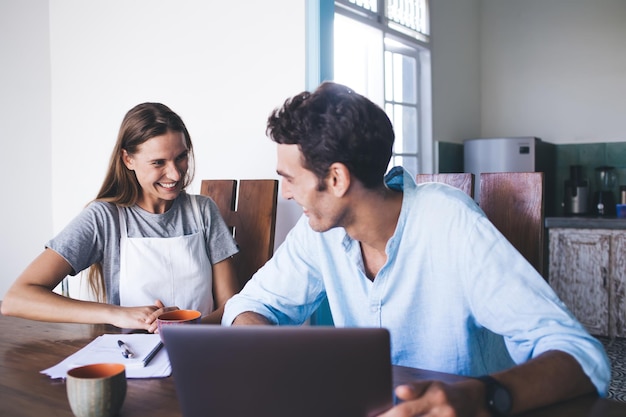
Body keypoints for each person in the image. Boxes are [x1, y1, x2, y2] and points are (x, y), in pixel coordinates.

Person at [222, 82, 611, 416]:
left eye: (289, 180)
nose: (286, 194)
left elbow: (581, 356)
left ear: (337, 178)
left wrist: (480, 396)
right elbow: (248, 306)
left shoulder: (449, 222)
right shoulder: (318, 233)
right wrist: (270, 349)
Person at [2, 103, 239, 332]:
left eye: (181, 157)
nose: (175, 174)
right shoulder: (104, 218)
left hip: (200, 348)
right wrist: (115, 313)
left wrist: (191, 330)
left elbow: (231, 305)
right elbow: (18, 299)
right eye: (158, 162)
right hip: (130, 357)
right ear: (128, 160)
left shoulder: (204, 211)